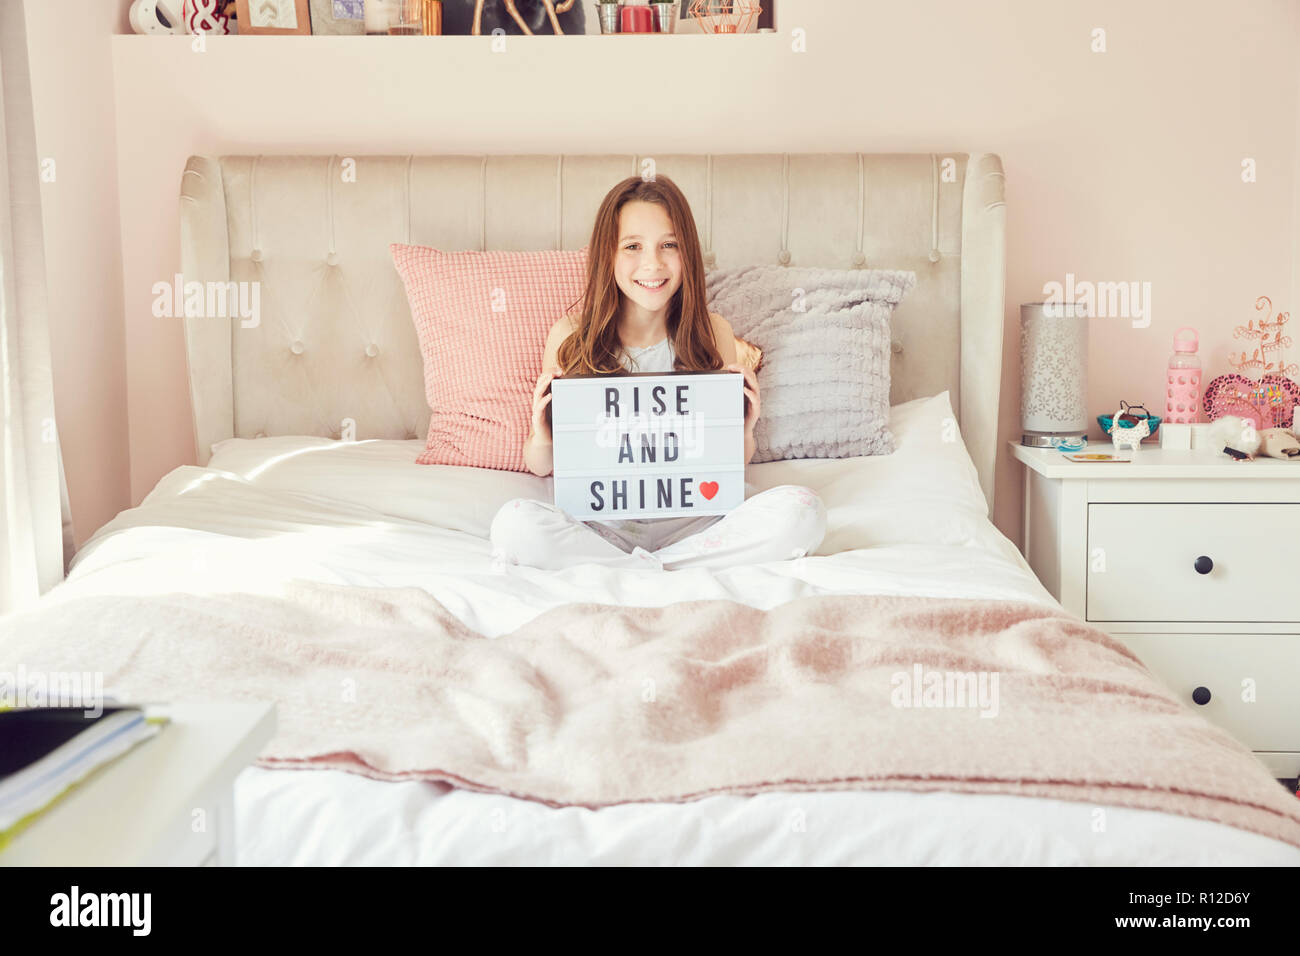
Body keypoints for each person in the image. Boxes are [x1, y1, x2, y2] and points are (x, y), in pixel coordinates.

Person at [489, 174, 825, 571]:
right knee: (514, 525)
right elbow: (541, 465)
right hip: (603, 527)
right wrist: (542, 432)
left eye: (669, 245)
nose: (653, 263)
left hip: (698, 523)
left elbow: (730, 462)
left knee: (803, 512)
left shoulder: (711, 331)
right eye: (632, 246)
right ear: (608, 256)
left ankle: (648, 567)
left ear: (688, 254)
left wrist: (745, 430)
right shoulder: (571, 336)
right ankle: (668, 568)